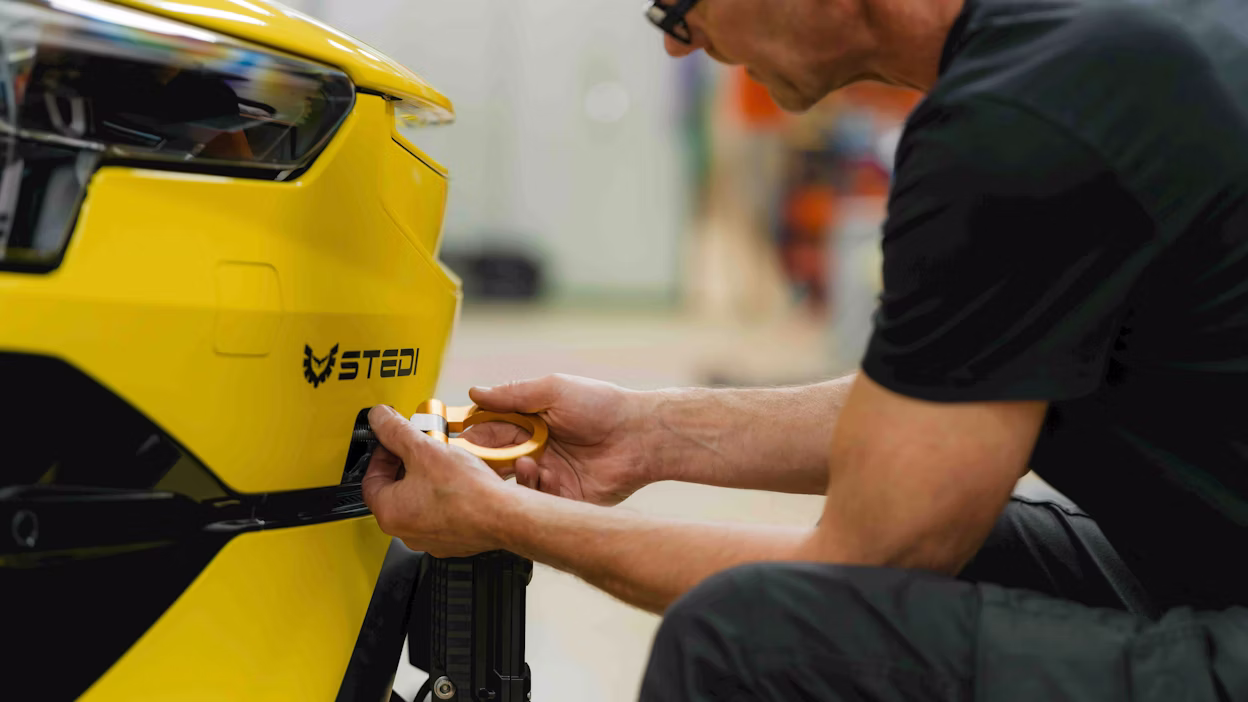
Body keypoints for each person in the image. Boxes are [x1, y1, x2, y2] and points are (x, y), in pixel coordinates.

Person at [362, 0, 1248, 697]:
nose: (678, 45)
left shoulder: (1019, 120)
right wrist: (644, 433)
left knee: (750, 640)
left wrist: (511, 520)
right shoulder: (1088, 47)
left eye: (677, 6)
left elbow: (862, 564)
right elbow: (941, 406)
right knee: (974, 548)